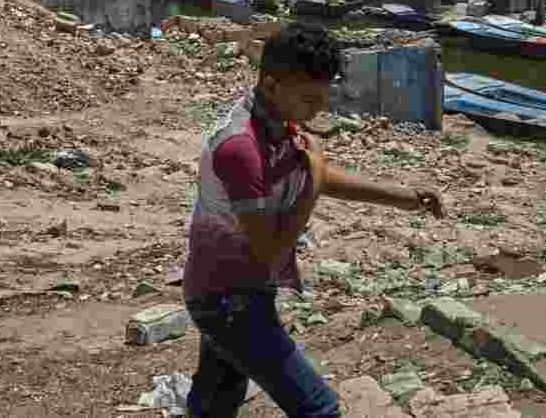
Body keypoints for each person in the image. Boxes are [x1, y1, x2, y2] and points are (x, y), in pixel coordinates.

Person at [182, 22, 445, 418]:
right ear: (271, 85)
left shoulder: (273, 120)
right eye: (309, 98)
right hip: (228, 300)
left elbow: (314, 172)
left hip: (234, 290)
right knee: (319, 409)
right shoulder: (242, 148)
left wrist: (403, 197)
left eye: (323, 96)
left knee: (216, 402)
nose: (318, 109)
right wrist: (313, 184)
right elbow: (270, 248)